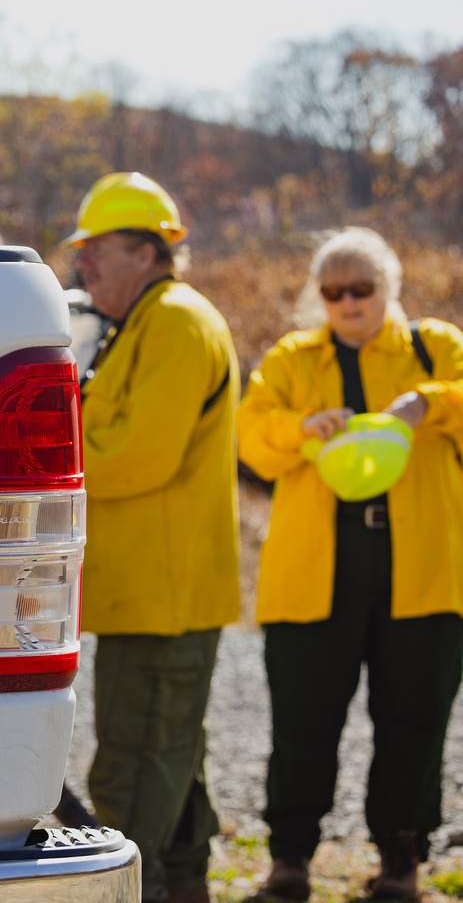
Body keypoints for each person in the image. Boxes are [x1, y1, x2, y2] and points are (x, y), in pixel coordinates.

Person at [238, 227, 463, 901]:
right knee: (303, 718)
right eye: (332, 290)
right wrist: (301, 428)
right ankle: (289, 861)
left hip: (420, 570)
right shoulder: (289, 360)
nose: (346, 301)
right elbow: (250, 433)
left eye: (359, 287)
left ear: (387, 288)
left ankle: (400, 863)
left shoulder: (435, 348)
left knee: (413, 718)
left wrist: (431, 402)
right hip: (314, 572)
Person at [69, 172, 241, 903]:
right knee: (171, 758)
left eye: (96, 249)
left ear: (146, 251)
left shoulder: (172, 321)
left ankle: (129, 893)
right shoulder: (140, 322)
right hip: (149, 595)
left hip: (161, 599)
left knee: (135, 768)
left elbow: (136, 456)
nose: (82, 264)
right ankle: (182, 888)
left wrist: (53, 445)